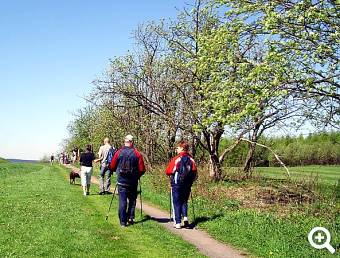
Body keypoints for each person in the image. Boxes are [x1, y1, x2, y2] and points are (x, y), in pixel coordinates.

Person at [109, 135, 145, 227]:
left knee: (122, 201)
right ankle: (130, 217)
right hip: (133, 182)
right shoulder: (137, 154)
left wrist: (117, 172)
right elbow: (142, 169)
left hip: (121, 181)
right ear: (132, 142)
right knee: (132, 200)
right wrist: (137, 176)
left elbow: (112, 166)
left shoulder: (118, 152)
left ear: (125, 142)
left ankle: (122, 222)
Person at [165, 141, 197, 229]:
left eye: (178, 148)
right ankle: (185, 219)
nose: (176, 149)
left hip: (177, 183)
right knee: (184, 201)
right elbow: (194, 172)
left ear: (182, 148)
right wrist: (191, 182)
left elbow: (168, 171)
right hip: (187, 184)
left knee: (176, 202)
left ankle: (178, 222)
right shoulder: (191, 159)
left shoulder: (177, 159)